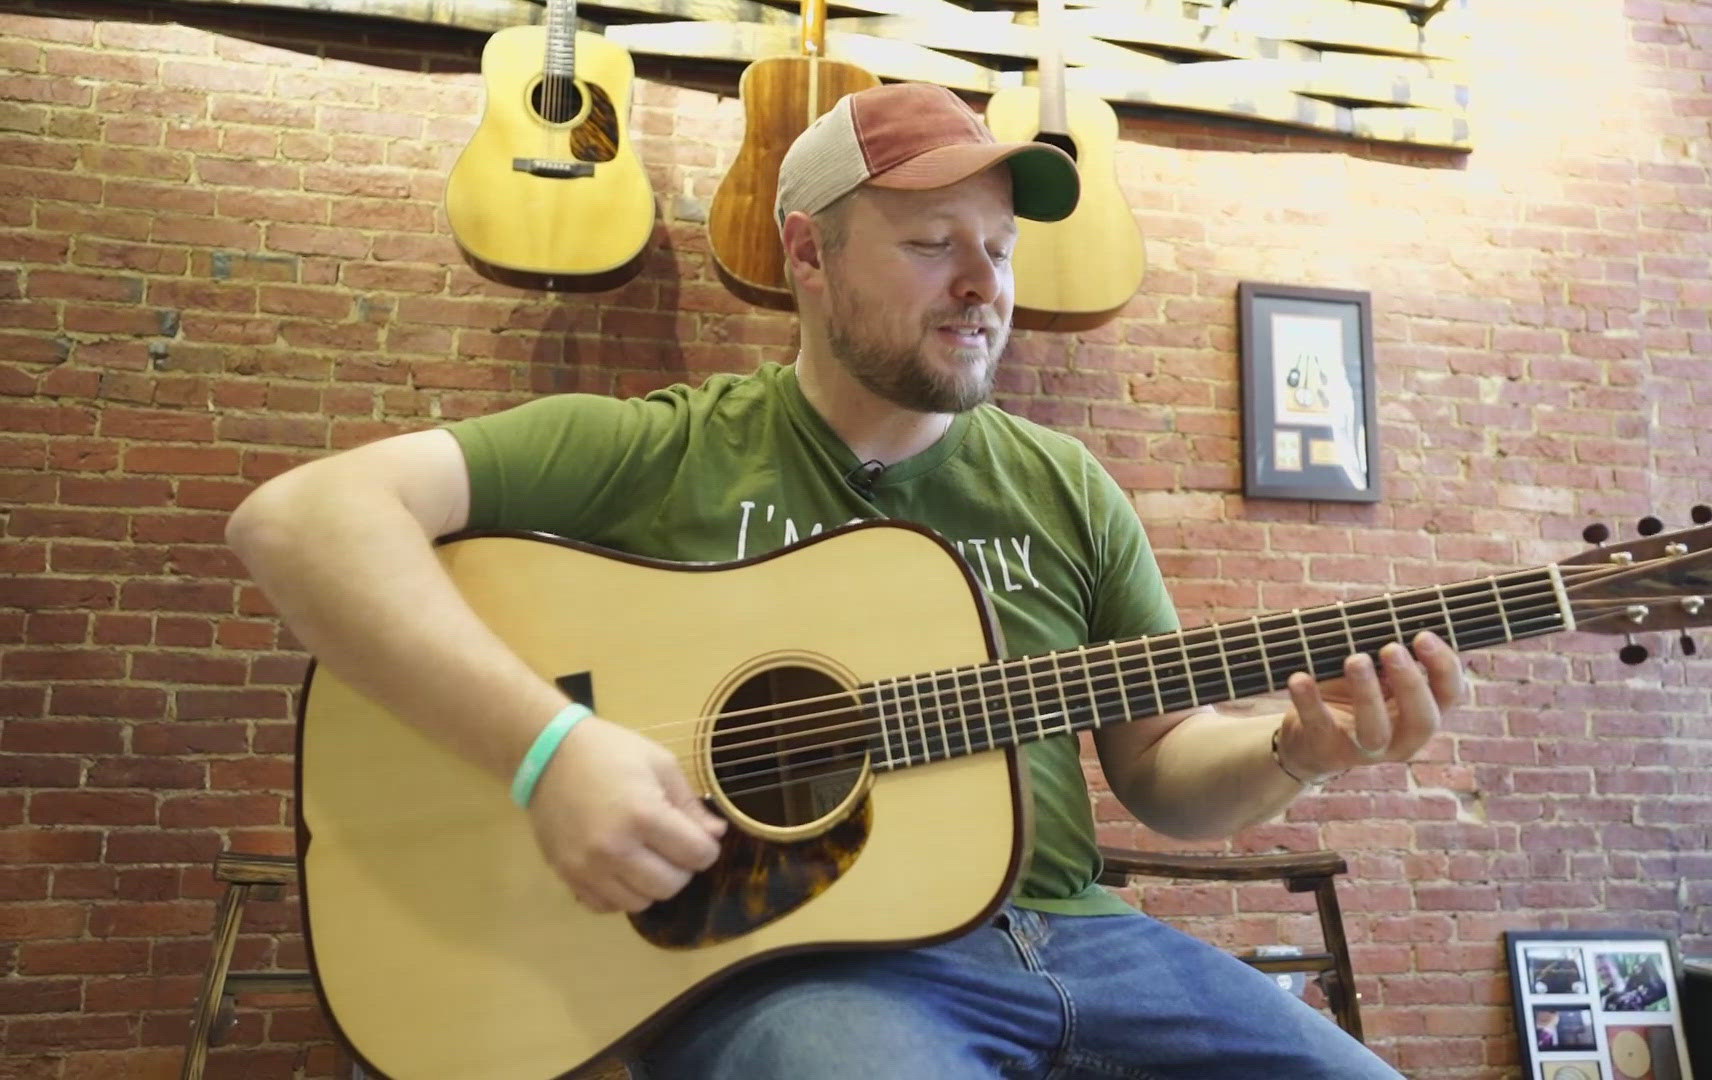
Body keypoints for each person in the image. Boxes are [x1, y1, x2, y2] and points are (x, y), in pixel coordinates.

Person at [227, 81, 1463, 1079]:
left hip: (1092, 945)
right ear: (808, 254)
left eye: (1000, 245)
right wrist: (550, 751)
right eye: (934, 245)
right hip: (803, 962)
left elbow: (1162, 778)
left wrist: (1299, 751)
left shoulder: (1068, 485)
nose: (984, 286)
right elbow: (300, 519)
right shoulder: (662, 450)